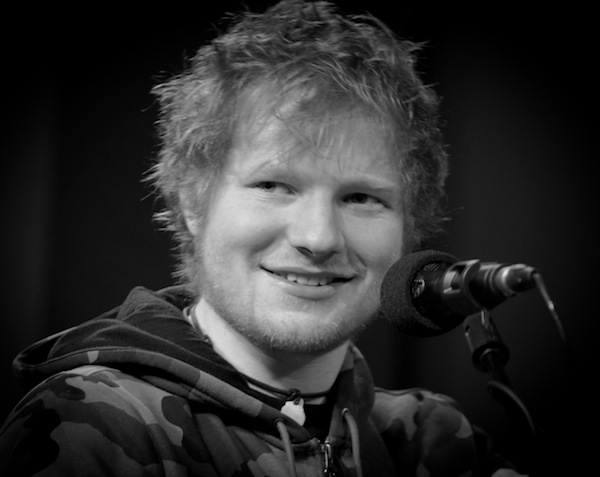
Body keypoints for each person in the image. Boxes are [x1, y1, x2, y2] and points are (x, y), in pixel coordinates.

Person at [0, 1, 526, 475]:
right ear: (192, 202)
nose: (318, 237)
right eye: (274, 186)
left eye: (362, 198)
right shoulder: (96, 429)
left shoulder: (435, 443)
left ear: (410, 231)